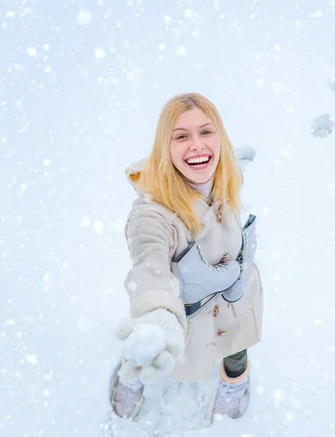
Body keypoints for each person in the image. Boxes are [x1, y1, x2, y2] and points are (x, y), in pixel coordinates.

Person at [109, 92, 264, 424]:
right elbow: (149, 266)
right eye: (181, 136)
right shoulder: (152, 214)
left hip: (235, 298)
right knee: (148, 348)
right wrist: (158, 315)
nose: (197, 145)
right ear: (165, 147)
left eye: (206, 132)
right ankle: (130, 374)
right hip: (188, 313)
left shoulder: (224, 178)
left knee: (235, 348)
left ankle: (234, 383)